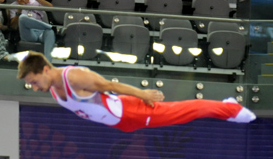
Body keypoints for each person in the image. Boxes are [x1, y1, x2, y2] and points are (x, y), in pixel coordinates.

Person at [20, 54, 256, 130]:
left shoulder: (73, 77)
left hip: (130, 111)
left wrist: (142, 95)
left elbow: (111, 86)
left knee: (186, 111)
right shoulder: (52, 89)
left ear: (45, 69)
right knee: (184, 112)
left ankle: (232, 109)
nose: (34, 87)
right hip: (120, 123)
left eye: (33, 81)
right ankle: (227, 106)